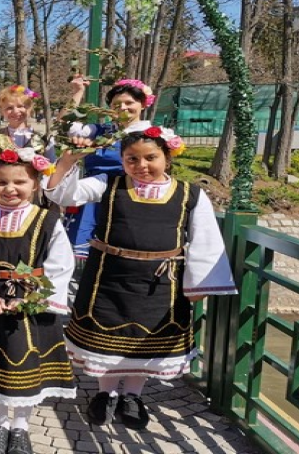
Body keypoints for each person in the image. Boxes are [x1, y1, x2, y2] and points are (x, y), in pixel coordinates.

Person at [47, 126, 237, 430]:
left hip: (160, 282)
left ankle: (133, 396)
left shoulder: (190, 194)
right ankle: (105, 394)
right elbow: (62, 194)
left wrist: (199, 285)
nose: (141, 165)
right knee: (107, 342)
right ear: (122, 160)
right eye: (132, 159)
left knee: (144, 342)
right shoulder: (107, 183)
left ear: (167, 158)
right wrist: (68, 161)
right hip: (108, 277)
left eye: (151, 158)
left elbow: (206, 240)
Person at [0, 148, 77, 454]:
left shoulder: (48, 220)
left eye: (19, 182)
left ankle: (21, 426)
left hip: (32, 305)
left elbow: (61, 265)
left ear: (35, 184)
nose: (10, 188)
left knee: (27, 367)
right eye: (2, 182)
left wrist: (34, 299)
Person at [63, 77, 155, 258]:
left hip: (129, 195)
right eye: (116, 104)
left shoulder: (152, 135)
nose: (123, 108)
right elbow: (66, 124)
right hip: (92, 196)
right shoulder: (99, 131)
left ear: (143, 104)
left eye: (129, 102)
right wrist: (78, 92)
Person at [0, 85, 50, 157]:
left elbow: (52, 163)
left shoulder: (43, 139)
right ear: (1, 111)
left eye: (20, 106)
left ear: (29, 109)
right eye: (9, 108)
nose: (15, 111)